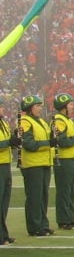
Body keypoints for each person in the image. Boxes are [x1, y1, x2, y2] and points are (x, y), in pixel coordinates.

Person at [19, 94, 55, 237]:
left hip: (44, 162)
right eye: (37, 106)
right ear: (29, 108)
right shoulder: (25, 122)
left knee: (43, 196)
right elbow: (28, 144)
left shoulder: (41, 121)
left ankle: (43, 224)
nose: (40, 108)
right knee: (34, 197)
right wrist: (48, 143)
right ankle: (34, 226)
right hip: (33, 164)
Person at [51, 92, 74, 230]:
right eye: (70, 104)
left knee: (70, 191)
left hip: (71, 158)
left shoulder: (68, 120)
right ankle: (63, 219)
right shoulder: (59, 120)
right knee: (64, 191)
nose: (72, 106)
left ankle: (70, 217)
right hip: (63, 160)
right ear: (64, 106)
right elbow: (62, 141)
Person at [0, 101, 19, 244]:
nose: (3, 109)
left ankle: (3, 233)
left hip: (6, 164)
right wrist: (9, 142)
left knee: (5, 201)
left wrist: (14, 137)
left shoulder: (4, 123)